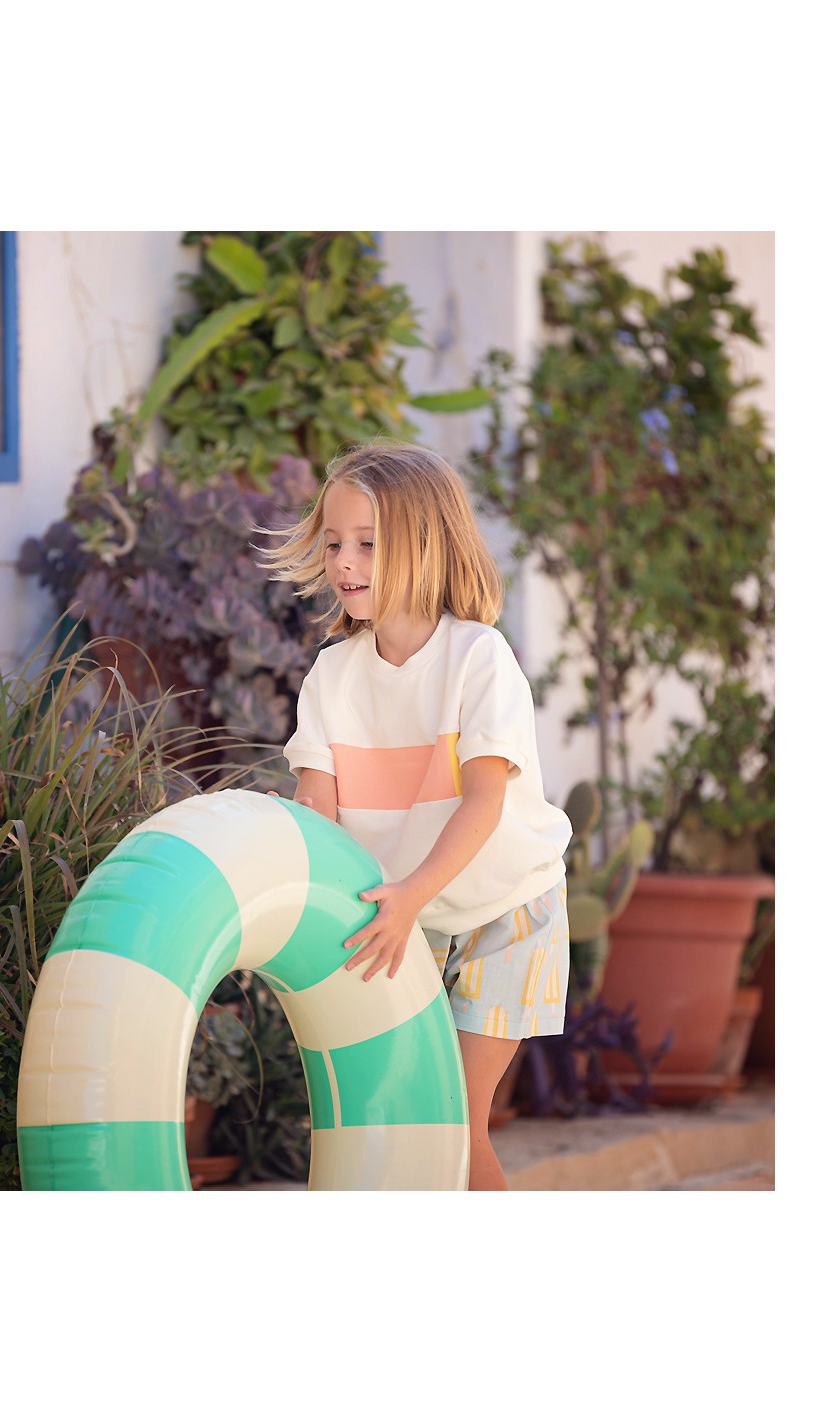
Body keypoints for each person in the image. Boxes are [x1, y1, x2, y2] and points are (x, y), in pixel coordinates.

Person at [259, 439, 573, 1191]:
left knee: (455, 1124)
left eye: (367, 544)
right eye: (334, 543)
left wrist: (409, 897)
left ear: (426, 545)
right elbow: (319, 810)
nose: (344, 562)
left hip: (508, 909)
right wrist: (283, 842)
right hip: (409, 916)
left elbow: (485, 801)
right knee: (407, 1120)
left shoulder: (479, 658)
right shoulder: (332, 675)